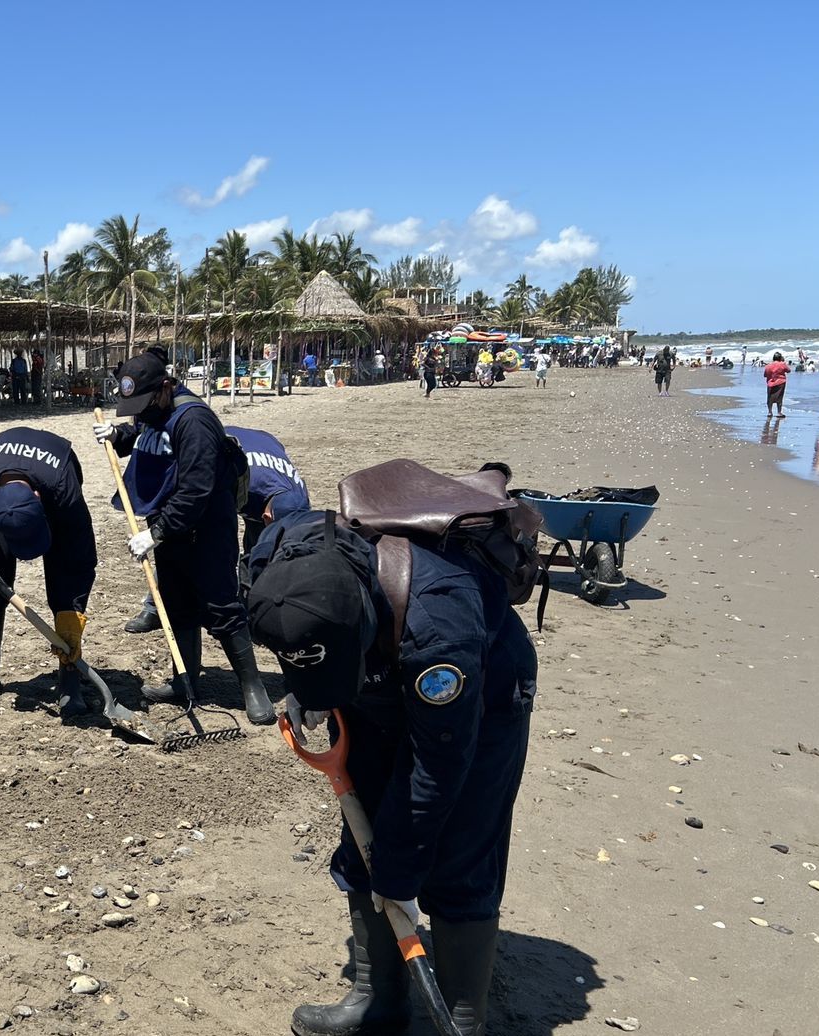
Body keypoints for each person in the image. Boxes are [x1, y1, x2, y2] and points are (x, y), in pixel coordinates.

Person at [247, 505, 536, 1036]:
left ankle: (461, 1019)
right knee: (365, 837)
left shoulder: (438, 623)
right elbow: (296, 628)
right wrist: (306, 687)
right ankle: (377, 997)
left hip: (483, 695)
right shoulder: (276, 560)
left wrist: (399, 875)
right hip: (374, 681)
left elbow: (437, 769)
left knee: (461, 846)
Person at [93, 351, 273, 725]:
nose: (140, 412)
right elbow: (147, 436)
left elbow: (195, 490)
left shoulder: (195, 421)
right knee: (177, 605)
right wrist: (118, 435)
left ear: (165, 387)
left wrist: (155, 533)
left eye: (144, 403)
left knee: (222, 607)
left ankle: (252, 687)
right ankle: (185, 680)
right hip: (169, 527)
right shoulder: (153, 410)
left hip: (206, 529)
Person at [0, 427, 97, 718]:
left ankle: (69, 679)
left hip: (53, 488)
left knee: (65, 586)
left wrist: (71, 617)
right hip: (0, 499)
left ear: (38, 497)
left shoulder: (63, 491)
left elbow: (79, 558)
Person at [124, 424, 310, 633]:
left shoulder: (299, 499)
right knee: (181, 546)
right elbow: (193, 500)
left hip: (263, 445)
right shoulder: (245, 484)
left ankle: (254, 609)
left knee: (259, 553)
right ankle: (154, 608)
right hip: (213, 464)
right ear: (266, 517)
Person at [764, 351, 790, 417]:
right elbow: (788, 370)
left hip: (770, 383)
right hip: (780, 382)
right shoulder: (782, 364)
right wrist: (783, 362)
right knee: (779, 398)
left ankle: (770, 412)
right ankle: (779, 412)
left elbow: (765, 375)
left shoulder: (768, 366)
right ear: (780, 358)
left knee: (770, 398)